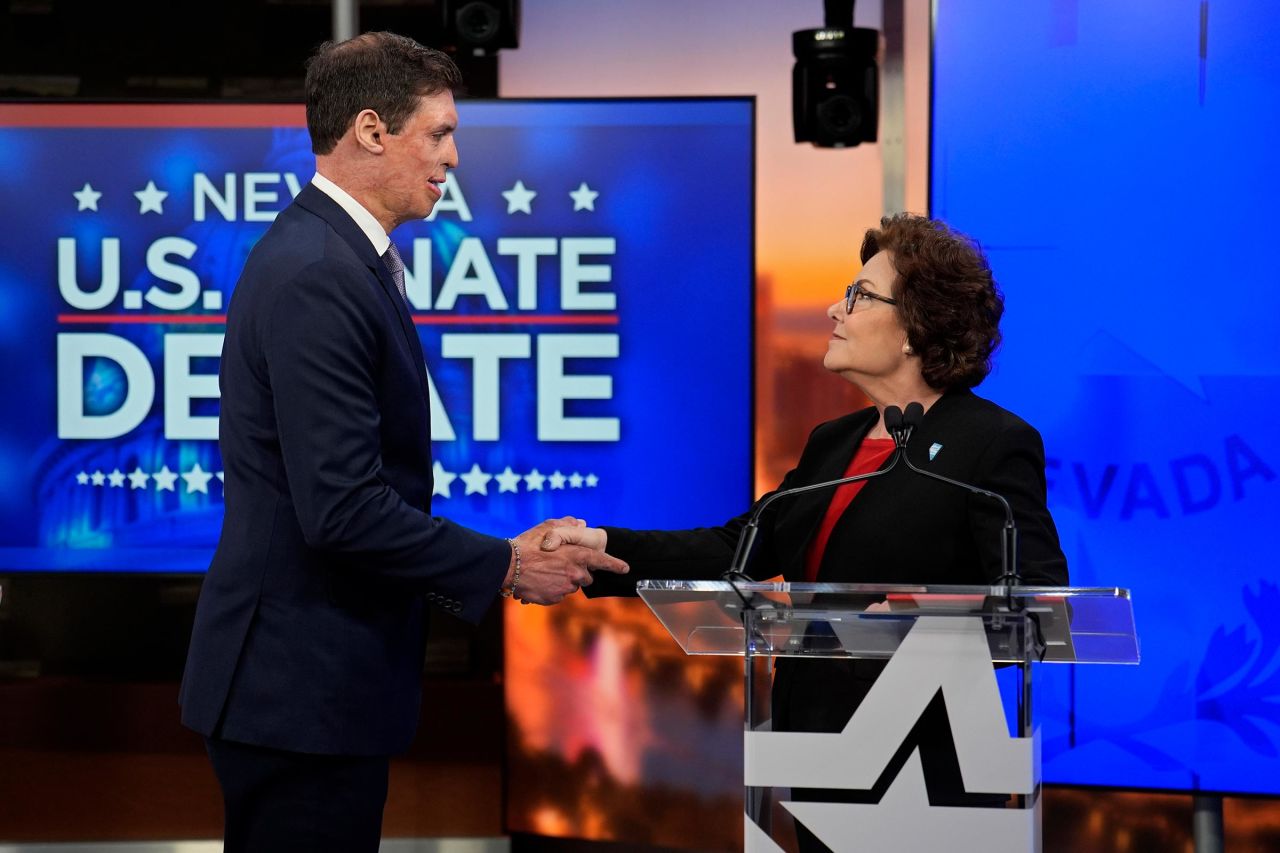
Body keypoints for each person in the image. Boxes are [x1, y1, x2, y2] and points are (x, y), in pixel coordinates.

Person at [178, 32, 627, 853]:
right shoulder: (319, 271)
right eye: (440, 132)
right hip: (296, 692)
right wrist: (506, 564)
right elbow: (343, 510)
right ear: (373, 130)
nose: (455, 156)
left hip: (314, 688)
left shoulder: (337, 257)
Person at [548, 213, 1068, 843]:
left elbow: (1036, 601)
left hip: (929, 764)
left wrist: (906, 617)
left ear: (916, 329)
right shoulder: (835, 443)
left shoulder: (991, 444)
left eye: (860, 295)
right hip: (817, 750)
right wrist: (602, 547)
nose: (834, 308)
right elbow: (736, 548)